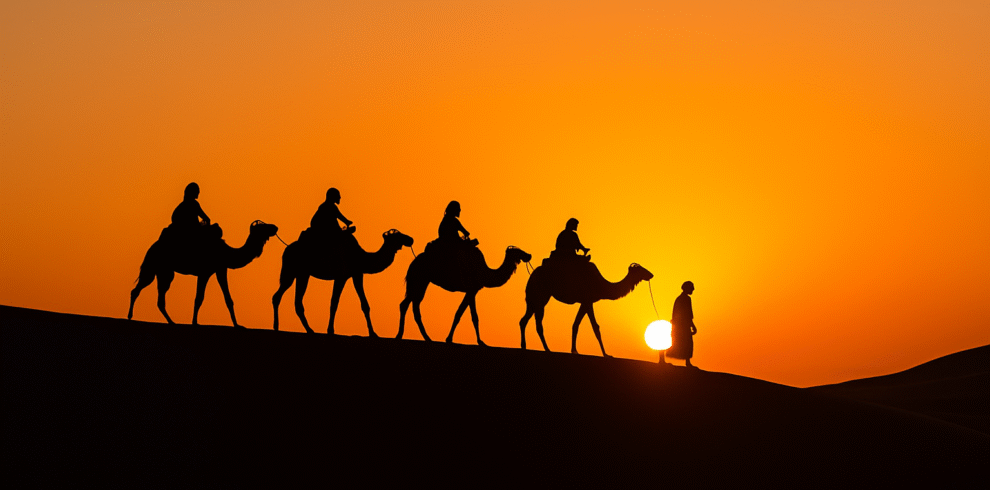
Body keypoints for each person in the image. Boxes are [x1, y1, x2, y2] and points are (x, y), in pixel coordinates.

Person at [666, 281, 698, 367]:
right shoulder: (686, 299)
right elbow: (688, 314)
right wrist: (692, 326)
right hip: (682, 326)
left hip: (680, 326)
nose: (693, 289)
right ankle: (687, 362)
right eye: (692, 287)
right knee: (686, 343)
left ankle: (687, 362)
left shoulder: (680, 298)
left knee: (683, 343)